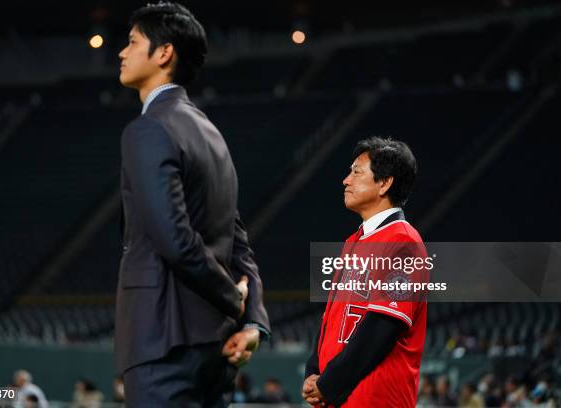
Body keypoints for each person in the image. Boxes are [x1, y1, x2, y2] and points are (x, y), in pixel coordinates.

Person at [114, 3, 270, 407]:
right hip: (214, 347)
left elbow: (174, 238)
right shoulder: (212, 134)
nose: (122, 52)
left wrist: (232, 298)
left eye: (132, 42)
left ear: (164, 53)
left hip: (162, 341)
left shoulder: (148, 129)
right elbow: (239, 246)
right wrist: (252, 320)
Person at [302, 137, 427, 407]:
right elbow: (332, 319)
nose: (346, 180)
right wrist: (314, 371)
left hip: (376, 399)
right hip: (340, 397)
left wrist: (329, 383)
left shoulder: (403, 242)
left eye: (357, 172)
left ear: (384, 183)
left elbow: (382, 327)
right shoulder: (354, 241)